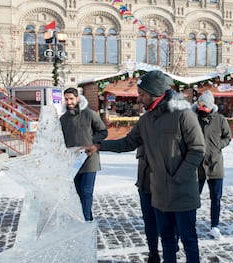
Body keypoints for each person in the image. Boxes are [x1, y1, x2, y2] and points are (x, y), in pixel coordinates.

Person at [84, 70, 205, 263]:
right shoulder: (146, 120)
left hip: (182, 191)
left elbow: (197, 149)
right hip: (158, 192)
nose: (139, 99)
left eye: (142, 94)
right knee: (166, 239)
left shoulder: (183, 115)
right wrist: (99, 146)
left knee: (188, 239)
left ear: (155, 93)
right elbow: (128, 143)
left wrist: (178, 178)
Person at [60, 87, 108, 221]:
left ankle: (86, 220)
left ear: (78, 99)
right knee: (78, 193)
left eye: (71, 99)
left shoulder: (90, 114)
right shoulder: (63, 119)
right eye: (67, 99)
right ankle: (85, 217)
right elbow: (60, 139)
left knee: (87, 192)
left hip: (89, 160)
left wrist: (91, 143)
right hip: (73, 162)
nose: (69, 102)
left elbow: (103, 132)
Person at [192, 90, 231, 240]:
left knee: (216, 198)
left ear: (210, 106)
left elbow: (228, 137)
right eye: (199, 104)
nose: (200, 107)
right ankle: (190, 225)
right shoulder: (193, 118)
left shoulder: (220, 119)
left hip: (215, 165)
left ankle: (215, 226)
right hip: (197, 165)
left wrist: (217, 146)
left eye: (204, 105)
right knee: (194, 198)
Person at [136, 146, 160, 263]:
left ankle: (171, 248)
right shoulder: (142, 127)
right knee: (149, 221)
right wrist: (99, 145)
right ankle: (153, 253)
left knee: (169, 222)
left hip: (166, 183)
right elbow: (128, 142)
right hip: (145, 181)